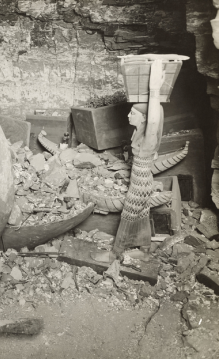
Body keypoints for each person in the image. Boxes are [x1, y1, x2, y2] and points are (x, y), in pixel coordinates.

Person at [92, 59, 165, 263]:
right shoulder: (140, 136)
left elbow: (153, 120)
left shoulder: (148, 138)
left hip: (141, 183)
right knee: (141, 214)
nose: (128, 115)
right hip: (142, 179)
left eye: (133, 113)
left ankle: (114, 254)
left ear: (143, 118)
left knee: (128, 215)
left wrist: (154, 89)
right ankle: (144, 248)